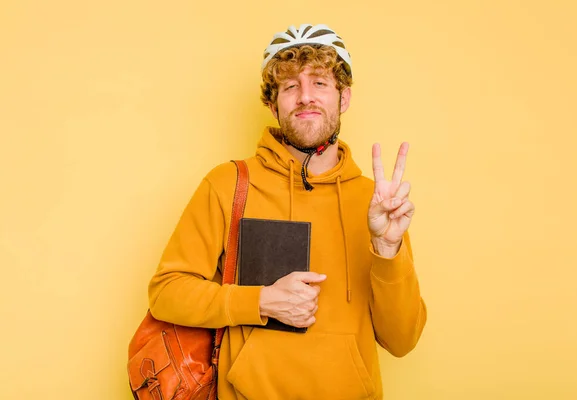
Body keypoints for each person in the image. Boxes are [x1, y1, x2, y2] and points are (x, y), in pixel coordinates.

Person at [148, 23, 427, 400]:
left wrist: (388, 249)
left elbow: (402, 340)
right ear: (272, 102)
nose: (305, 97)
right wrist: (259, 301)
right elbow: (167, 293)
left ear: (343, 98)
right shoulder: (229, 183)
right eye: (290, 86)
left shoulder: (376, 201)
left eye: (320, 83)